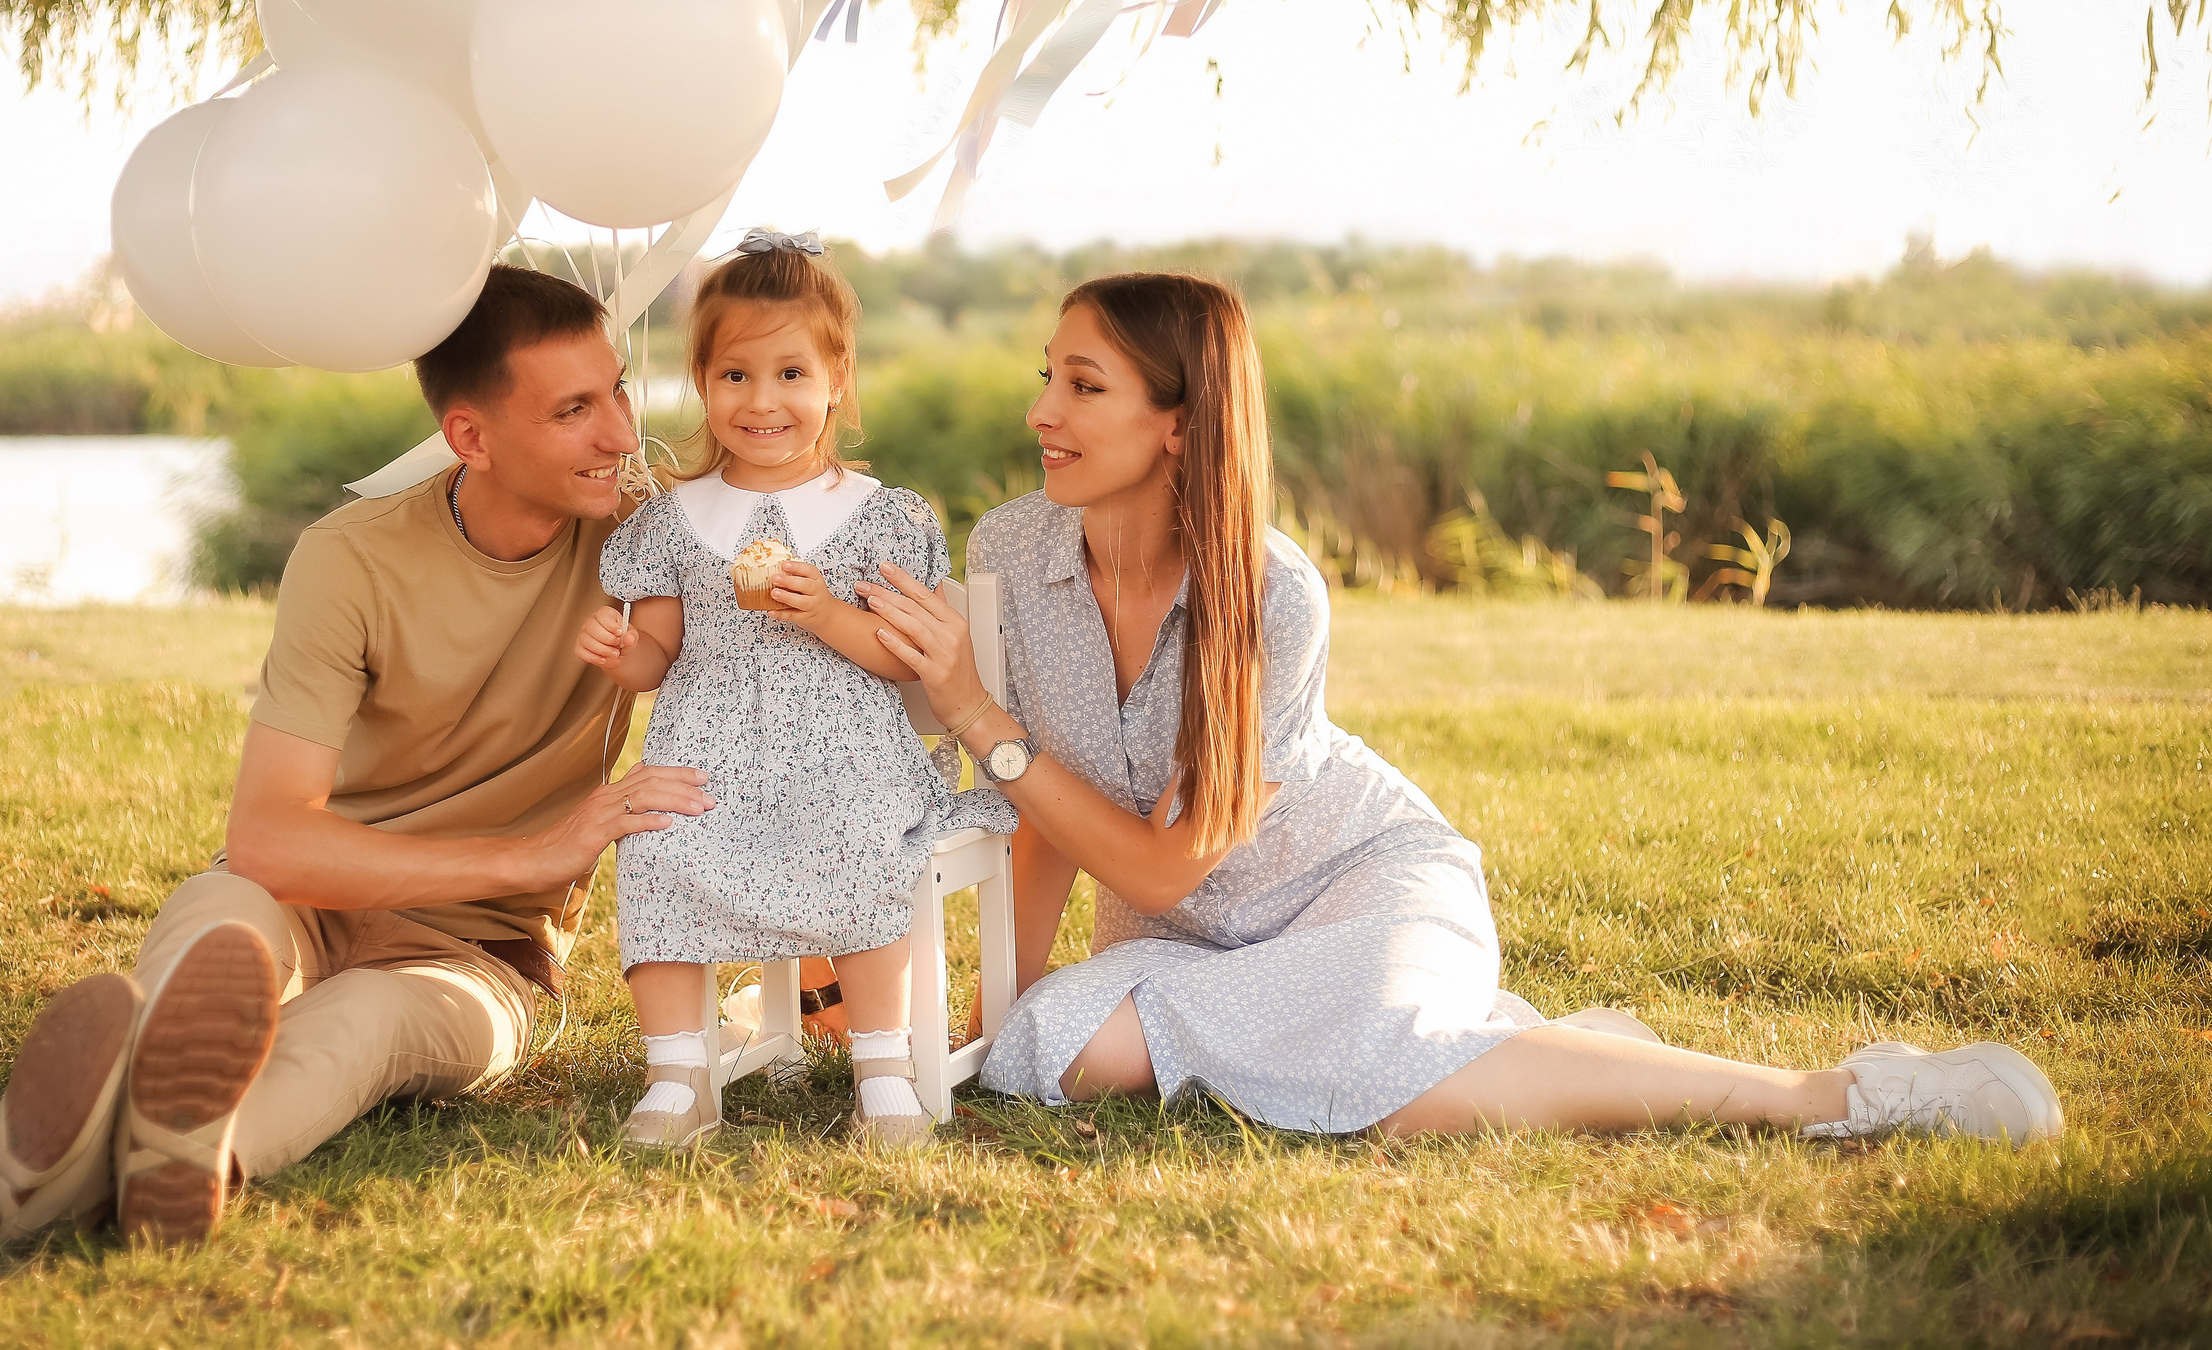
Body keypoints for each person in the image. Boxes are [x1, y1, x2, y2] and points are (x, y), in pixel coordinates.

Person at [858, 271, 2064, 1145]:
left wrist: (978, 716)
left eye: (1083, 385)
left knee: (1389, 1094)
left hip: (1354, 885)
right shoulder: (1016, 548)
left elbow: (1161, 861)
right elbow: (1048, 825)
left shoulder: (1276, 593)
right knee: (1047, 1052)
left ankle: (1827, 1096)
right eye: (1045, 379)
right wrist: (982, 1024)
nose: (1041, 415)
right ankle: (1536, 1058)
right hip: (1184, 952)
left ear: (1179, 422)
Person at [0, 266, 714, 1247]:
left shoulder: (658, 535)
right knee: (223, 919)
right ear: (470, 436)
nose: (621, 434)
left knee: (366, 1027)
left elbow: (787, 514)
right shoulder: (352, 557)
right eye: (573, 410)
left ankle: (110, 1162)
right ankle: (142, 1122)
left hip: (481, 955)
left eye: (619, 389)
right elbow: (266, 837)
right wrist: (532, 853)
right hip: (307, 889)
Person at [575, 231, 1011, 1150]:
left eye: (790, 374)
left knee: (859, 835)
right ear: (702, 379)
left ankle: (881, 1066)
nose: (762, 400)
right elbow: (658, 653)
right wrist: (620, 654)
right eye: (735, 375)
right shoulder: (673, 518)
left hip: (847, 750)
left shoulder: (876, 513)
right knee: (656, 840)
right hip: (707, 746)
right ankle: (678, 1074)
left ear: (835, 380)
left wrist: (827, 616)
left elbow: (907, 657)